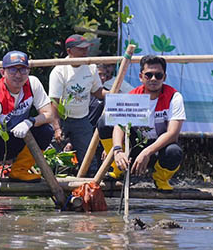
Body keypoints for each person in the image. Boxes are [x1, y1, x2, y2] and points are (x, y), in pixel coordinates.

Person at [98, 55, 186, 191]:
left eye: (158, 75)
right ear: (141, 76)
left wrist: (147, 152)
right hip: (135, 146)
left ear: (164, 77)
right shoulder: (132, 96)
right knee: (104, 122)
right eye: (149, 75)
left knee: (174, 152)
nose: (153, 79)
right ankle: (117, 167)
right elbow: (119, 126)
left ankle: (160, 178)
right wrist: (117, 150)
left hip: (157, 148)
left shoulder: (174, 97)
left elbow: (172, 134)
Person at [0, 51, 55, 196]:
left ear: (28, 71)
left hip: (19, 138)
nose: (18, 75)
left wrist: (30, 121)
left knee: (46, 131)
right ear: (2, 72)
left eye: (22, 70)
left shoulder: (32, 84)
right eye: (12, 70)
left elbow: (49, 114)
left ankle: (20, 170)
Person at [49, 34, 107, 171]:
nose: (85, 52)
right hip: (62, 119)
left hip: (82, 119)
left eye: (86, 48)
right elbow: (54, 102)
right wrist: (56, 128)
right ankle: (47, 185)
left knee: (88, 157)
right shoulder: (59, 71)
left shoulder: (91, 67)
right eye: (81, 49)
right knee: (52, 154)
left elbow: (98, 91)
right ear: (69, 51)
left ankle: (89, 187)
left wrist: (115, 95)